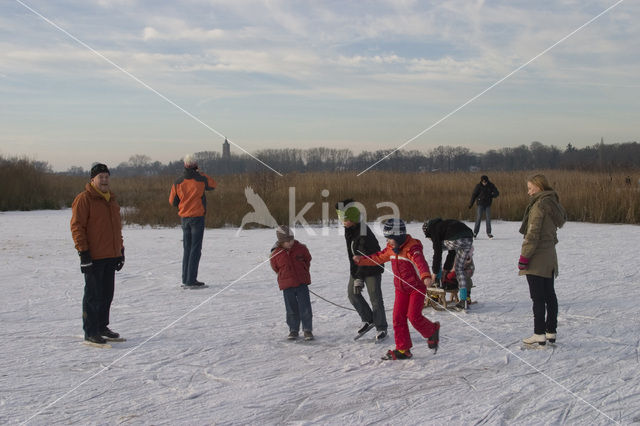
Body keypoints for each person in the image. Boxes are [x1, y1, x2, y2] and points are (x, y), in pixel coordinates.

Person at [354, 218, 439, 360]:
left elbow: (421, 263)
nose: (388, 242)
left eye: (390, 238)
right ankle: (403, 349)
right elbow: (379, 257)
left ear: (398, 236)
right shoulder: (391, 249)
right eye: (387, 239)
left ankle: (432, 330)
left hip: (415, 288)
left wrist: (425, 276)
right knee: (397, 318)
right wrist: (362, 260)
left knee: (413, 317)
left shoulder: (412, 248)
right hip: (400, 289)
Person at [70, 163, 125, 346]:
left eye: (106, 177)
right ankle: (90, 331)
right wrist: (83, 253)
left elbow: (116, 228)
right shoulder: (84, 199)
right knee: (93, 295)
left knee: (107, 294)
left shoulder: (111, 200)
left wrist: (120, 251)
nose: (104, 180)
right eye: (100, 177)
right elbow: (77, 227)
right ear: (92, 180)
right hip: (93, 256)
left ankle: (102, 326)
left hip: (110, 254)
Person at [518, 174, 567, 346]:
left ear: (539, 187)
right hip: (549, 256)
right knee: (549, 295)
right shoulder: (552, 202)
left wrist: (524, 257)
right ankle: (550, 331)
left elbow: (532, 234)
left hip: (537, 256)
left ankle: (539, 333)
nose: (529, 192)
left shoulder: (539, 206)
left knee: (538, 298)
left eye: (531, 188)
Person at [336, 199, 388, 341]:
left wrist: (359, 278)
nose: (342, 222)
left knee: (375, 298)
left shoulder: (363, 232)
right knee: (352, 294)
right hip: (358, 267)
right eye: (341, 219)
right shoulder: (349, 230)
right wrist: (355, 274)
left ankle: (381, 327)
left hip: (372, 267)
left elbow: (362, 256)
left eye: (344, 219)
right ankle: (368, 319)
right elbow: (352, 255)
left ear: (352, 218)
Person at [169, 154, 217, 287]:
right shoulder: (201, 179)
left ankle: (186, 278)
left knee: (187, 248)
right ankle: (191, 280)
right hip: (197, 217)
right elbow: (213, 185)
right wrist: (201, 173)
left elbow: (172, 201)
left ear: (185, 165)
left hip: (184, 218)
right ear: (196, 165)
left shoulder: (178, 181)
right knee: (195, 249)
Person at [270, 225, 314, 341]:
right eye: (286, 242)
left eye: (291, 240)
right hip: (287, 285)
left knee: (305, 307)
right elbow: (275, 268)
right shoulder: (276, 253)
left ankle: (307, 329)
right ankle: (293, 330)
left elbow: (307, 260)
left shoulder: (301, 248)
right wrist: (284, 276)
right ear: (280, 242)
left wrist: (303, 271)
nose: (290, 243)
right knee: (291, 308)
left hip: (301, 283)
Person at [422, 218, 475, 309]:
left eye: (429, 238)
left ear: (428, 233)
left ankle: (437, 281)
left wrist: (434, 273)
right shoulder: (444, 226)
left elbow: (437, 254)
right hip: (469, 238)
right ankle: (463, 300)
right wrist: (446, 270)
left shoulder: (434, 229)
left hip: (457, 239)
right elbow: (452, 252)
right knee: (459, 269)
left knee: (438, 249)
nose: (430, 239)